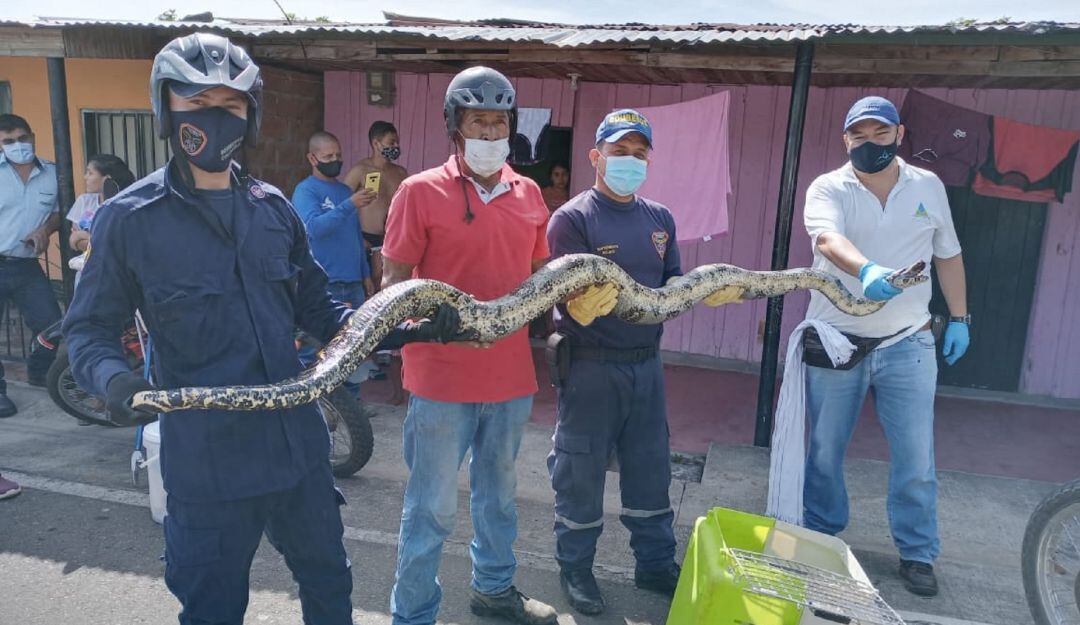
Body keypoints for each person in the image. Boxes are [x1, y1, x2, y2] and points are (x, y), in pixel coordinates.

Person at [63, 33, 461, 625]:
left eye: (228, 106)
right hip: (208, 460)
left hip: (296, 448)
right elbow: (88, 331)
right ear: (165, 109)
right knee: (213, 607)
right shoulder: (131, 218)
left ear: (250, 116)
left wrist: (402, 326)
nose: (212, 119)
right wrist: (113, 382)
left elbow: (325, 315)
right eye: (195, 104)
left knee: (329, 582)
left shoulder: (274, 208)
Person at [544, 109, 740, 615]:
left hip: (645, 364)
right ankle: (577, 568)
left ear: (649, 159)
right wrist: (575, 304)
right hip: (590, 365)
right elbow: (567, 297)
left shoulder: (660, 218)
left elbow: (672, 278)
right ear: (596, 156)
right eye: (618, 151)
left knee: (651, 469)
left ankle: (654, 564)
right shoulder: (572, 219)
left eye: (638, 153)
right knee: (580, 471)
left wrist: (700, 290)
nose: (629, 161)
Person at [380, 66, 558, 625]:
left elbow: (541, 277)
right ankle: (412, 613)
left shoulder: (529, 193)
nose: (488, 130)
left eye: (498, 120)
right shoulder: (418, 191)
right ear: (455, 126)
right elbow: (393, 284)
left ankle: (494, 589)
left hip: (510, 378)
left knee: (499, 500)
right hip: (440, 379)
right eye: (477, 120)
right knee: (430, 507)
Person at [801, 96, 970, 598]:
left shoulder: (928, 186)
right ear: (845, 139)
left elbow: (949, 255)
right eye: (859, 135)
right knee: (825, 451)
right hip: (836, 339)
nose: (869, 143)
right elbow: (827, 240)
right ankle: (822, 535)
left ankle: (918, 552)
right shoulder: (829, 186)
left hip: (908, 342)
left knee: (917, 458)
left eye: (880, 134)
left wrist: (960, 318)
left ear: (900, 135)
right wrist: (867, 271)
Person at [0, 113, 63, 413]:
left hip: (26, 266)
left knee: (51, 323)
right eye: (9, 141)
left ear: (33, 136)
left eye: (23, 138)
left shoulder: (52, 172)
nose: (18, 145)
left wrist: (45, 230)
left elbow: (59, 211)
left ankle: (39, 372)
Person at [292, 131, 375, 306]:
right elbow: (314, 229)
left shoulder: (345, 191)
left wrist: (365, 273)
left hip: (354, 283)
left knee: (356, 334)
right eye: (328, 156)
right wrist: (349, 205)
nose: (335, 160)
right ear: (312, 159)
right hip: (324, 282)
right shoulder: (305, 190)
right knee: (324, 334)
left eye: (338, 155)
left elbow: (355, 236)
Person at [344, 120, 408, 288]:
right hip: (365, 239)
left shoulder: (400, 173)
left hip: (391, 239)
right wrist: (356, 237)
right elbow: (342, 205)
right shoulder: (360, 170)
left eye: (397, 142)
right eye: (391, 142)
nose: (395, 146)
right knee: (366, 289)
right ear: (376, 143)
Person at [67, 154, 135, 277]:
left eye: (90, 173)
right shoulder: (84, 201)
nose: (85, 177)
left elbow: (118, 246)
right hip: (86, 272)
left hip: (116, 273)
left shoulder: (125, 205)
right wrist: (96, 240)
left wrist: (83, 236)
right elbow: (73, 241)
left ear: (106, 179)